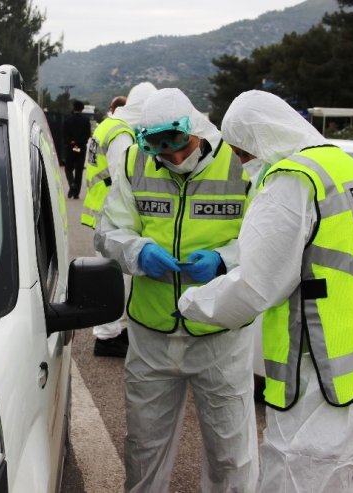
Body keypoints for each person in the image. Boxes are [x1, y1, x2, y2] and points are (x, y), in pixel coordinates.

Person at [178, 90, 353, 493]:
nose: (240, 163)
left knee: (294, 478)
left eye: (242, 152)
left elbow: (254, 287)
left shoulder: (292, 180)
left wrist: (191, 303)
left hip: (323, 378)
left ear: (259, 139)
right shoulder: (346, 168)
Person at [94, 88, 257, 492]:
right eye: (162, 149)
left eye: (180, 144)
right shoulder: (136, 161)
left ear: (196, 128)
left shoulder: (240, 165)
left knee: (230, 454)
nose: (175, 157)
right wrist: (138, 250)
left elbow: (266, 242)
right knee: (144, 448)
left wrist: (223, 259)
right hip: (152, 332)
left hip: (220, 334)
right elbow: (108, 231)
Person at [82, 82, 156, 358]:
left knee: (115, 277)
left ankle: (115, 332)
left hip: (104, 211)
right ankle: (107, 337)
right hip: (113, 215)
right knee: (116, 280)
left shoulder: (108, 125)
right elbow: (124, 177)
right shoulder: (122, 135)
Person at [63, 100, 92, 199]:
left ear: (73, 108)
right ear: (82, 109)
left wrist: (71, 142)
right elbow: (88, 134)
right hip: (81, 148)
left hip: (71, 148)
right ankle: (76, 193)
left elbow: (64, 134)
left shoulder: (68, 120)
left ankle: (71, 183)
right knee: (79, 170)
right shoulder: (86, 121)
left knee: (68, 168)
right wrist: (79, 143)